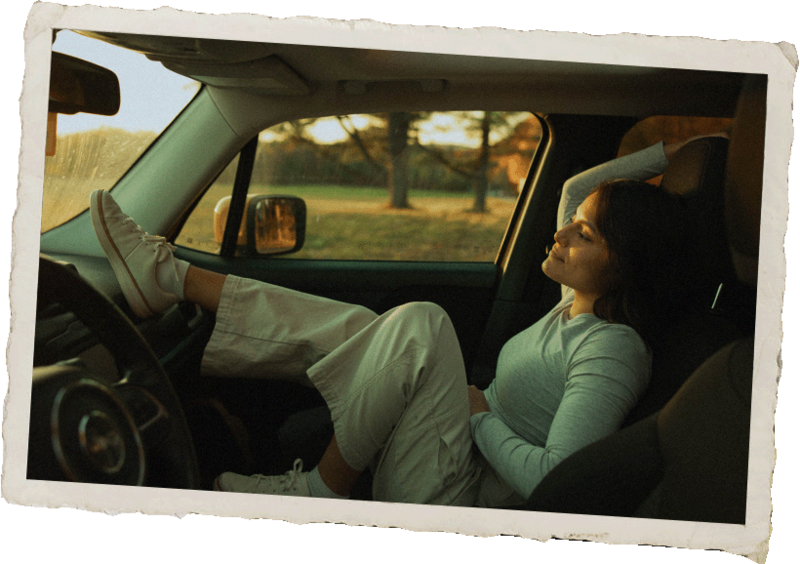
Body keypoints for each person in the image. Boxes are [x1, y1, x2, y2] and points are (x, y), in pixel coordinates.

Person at [89, 134, 719, 507]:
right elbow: (582, 183)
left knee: (421, 324)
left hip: (458, 495)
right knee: (372, 326)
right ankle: (170, 280)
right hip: (449, 451)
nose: (560, 232)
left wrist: (481, 416)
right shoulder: (573, 307)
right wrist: (690, 154)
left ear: (625, 263)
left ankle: (319, 491)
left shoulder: (612, 350)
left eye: (582, 233)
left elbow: (557, 483)